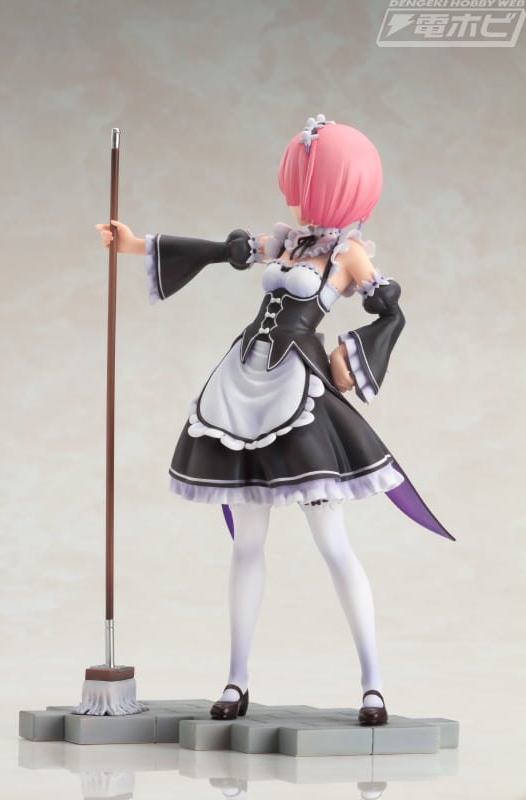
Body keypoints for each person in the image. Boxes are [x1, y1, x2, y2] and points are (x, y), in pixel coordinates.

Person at [96, 115, 453, 727]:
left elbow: (390, 308)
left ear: (335, 188)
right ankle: (236, 679)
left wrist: (359, 344)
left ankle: (373, 685)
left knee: (332, 544)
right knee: (247, 543)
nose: (293, 197)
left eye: (304, 183)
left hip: (299, 392)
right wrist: (132, 245)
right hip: (244, 382)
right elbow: (221, 251)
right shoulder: (289, 241)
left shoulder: (348, 252)